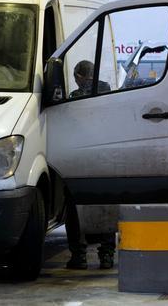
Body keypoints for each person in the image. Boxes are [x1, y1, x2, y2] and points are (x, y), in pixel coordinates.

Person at [65, 59, 115, 269]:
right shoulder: (108, 91)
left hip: (80, 159)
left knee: (74, 207)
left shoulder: (75, 97)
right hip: (105, 157)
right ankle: (107, 255)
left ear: (78, 76)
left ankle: (79, 256)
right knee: (106, 205)